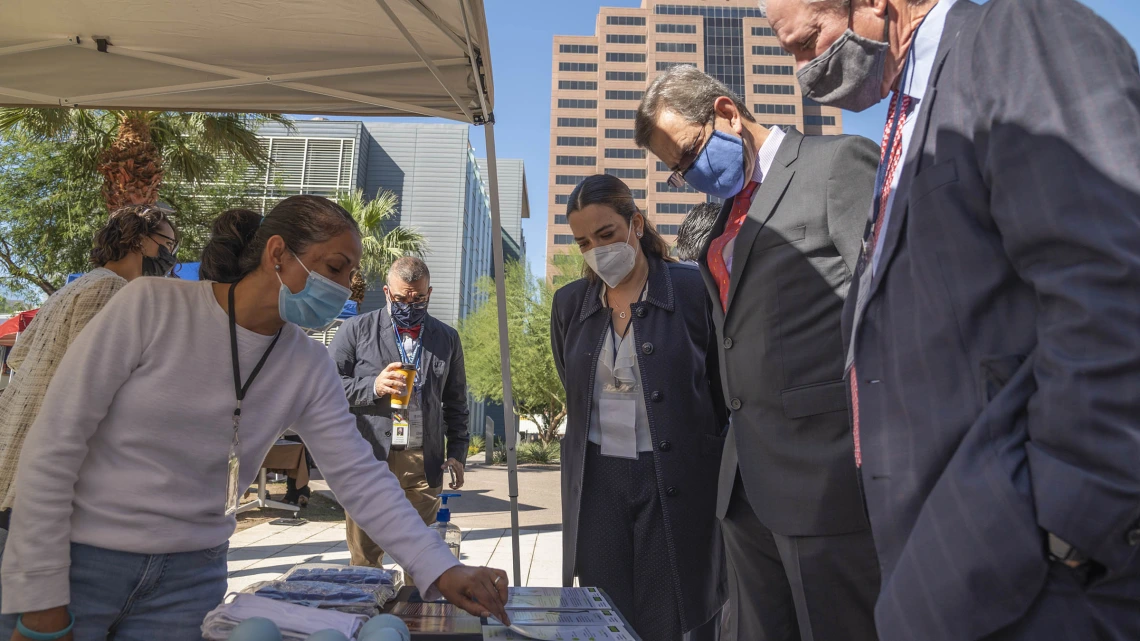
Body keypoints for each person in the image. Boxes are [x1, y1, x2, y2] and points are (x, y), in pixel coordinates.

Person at [762, 0, 1140, 639]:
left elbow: (1109, 279)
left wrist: (1070, 537)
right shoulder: (908, 114)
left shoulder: (1016, 36)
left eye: (808, 43)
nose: (804, 71)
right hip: (944, 574)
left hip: (1039, 583)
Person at [0, 196, 508, 641]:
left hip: (191, 579)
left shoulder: (306, 362)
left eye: (350, 275)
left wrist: (442, 568)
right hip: (80, 561)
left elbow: (360, 476)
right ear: (278, 254)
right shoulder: (149, 307)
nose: (344, 289)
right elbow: (53, 446)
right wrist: (40, 595)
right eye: (334, 268)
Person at [634, 65, 881, 641]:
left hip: (827, 479)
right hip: (745, 485)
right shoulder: (717, 218)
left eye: (690, 154)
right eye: (676, 171)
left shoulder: (836, 165)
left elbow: (888, 309)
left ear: (725, 113)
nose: (689, 175)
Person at [550, 174, 727, 641]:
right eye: (584, 241)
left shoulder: (693, 290)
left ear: (637, 224)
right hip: (598, 479)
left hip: (673, 476)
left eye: (606, 234)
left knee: (668, 612)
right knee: (605, 614)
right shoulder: (569, 304)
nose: (596, 249)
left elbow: (719, 388)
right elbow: (572, 387)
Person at [0, 204, 179, 544]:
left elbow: (18, 356)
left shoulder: (79, 284)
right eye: (166, 244)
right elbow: (90, 382)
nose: (170, 256)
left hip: (18, 440)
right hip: (47, 457)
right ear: (139, 240)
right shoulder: (110, 289)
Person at [329, 256, 470, 568]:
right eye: (402, 297)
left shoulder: (447, 338)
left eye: (419, 297)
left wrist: (458, 451)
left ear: (429, 293)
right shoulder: (355, 331)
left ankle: (416, 614)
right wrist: (373, 387)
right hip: (369, 457)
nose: (411, 303)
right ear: (386, 291)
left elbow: (456, 402)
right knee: (365, 558)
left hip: (422, 458)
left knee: (423, 557)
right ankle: (368, 615)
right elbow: (326, 387)